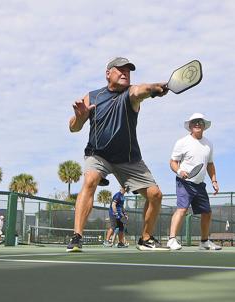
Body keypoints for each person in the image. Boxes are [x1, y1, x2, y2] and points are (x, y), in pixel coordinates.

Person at [67, 57, 168, 252]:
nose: (125, 73)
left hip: (129, 158)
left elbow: (142, 90)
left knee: (155, 195)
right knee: (90, 180)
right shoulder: (93, 96)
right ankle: (76, 236)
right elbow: (74, 128)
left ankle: (146, 239)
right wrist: (79, 118)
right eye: (120, 70)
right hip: (98, 154)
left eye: (128, 71)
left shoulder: (131, 93)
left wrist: (154, 88)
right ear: (108, 73)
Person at [167, 113, 221, 251]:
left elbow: (210, 164)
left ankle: (204, 242)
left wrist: (214, 180)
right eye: (194, 122)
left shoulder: (209, 144)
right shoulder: (182, 142)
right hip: (184, 182)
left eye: (200, 122)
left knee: (207, 212)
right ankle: (172, 239)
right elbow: (173, 162)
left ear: (204, 126)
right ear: (190, 126)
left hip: (200, 184)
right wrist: (179, 171)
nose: (198, 124)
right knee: (182, 209)